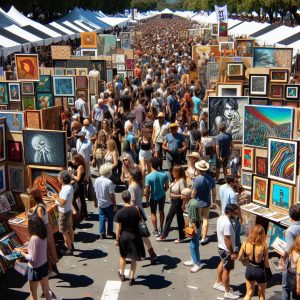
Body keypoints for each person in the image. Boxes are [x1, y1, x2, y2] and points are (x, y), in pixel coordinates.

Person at [17, 215, 52, 300]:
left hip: (35, 269)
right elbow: (38, 250)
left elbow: (32, 258)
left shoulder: (34, 238)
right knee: (46, 290)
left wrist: (21, 253)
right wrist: (28, 248)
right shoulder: (43, 235)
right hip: (44, 265)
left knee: (33, 294)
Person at [115, 191, 146, 286]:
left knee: (123, 256)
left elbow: (118, 228)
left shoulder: (119, 212)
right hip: (135, 235)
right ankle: (132, 278)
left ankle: (122, 274)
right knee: (133, 258)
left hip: (124, 236)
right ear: (130, 198)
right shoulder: (137, 209)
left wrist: (117, 240)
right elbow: (142, 220)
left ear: (123, 199)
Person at [128, 169, 157, 264]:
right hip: (140, 211)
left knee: (132, 234)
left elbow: (132, 202)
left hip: (135, 212)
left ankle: (132, 255)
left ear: (132, 177)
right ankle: (151, 253)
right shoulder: (139, 184)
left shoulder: (132, 186)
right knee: (142, 234)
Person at [28, 188, 59, 278]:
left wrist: (31, 217)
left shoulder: (39, 208)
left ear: (34, 196)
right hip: (46, 227)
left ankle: (52, 271)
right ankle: (54, 270)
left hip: (43, 229)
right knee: (49, 248)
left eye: (30, 195)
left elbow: (40, 221)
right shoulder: (40, 204)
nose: (29, 197)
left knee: (47, 250)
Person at [213, 203, 240, 300]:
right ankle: (227, 292)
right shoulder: (228, 224)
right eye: (235, 211)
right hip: (226, 250)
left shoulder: (221, 217)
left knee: (222, 263)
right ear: (230, 212)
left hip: (221, 247)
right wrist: (232, 253)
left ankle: (218, 282)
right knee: (227, 271)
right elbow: (227, 239)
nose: (237, 212)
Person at [238, 224, 270, 300]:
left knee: (249, 293)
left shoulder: (245, 244)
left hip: (250, 268)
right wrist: (268, 272)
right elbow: (266, 262)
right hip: (260, 270)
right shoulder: (264, 246)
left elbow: (239, 257)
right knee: (261, 295)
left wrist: (244, 261)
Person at [156, 165, 186, 243]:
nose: (172, 173)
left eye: (174, 171)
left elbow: (184, 194)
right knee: (169, 217)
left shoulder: (181, 181)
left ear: (178, 172)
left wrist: (175, 196)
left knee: (179, 219)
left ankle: (181, 236)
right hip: (174, 202)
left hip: (178, 202)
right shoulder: (176, 180)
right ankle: (164, 235)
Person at [192, 160, 217, 245]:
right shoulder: (211, 179)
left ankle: (197, 235)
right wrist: (214, 202)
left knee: (197, 220)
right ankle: (203, 237)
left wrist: (191, 200)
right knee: (205, 219)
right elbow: (214, 192)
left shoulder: (197, 179)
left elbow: (193, 193)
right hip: (207, 202)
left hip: (198, 202)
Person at [145, 158, 169, 237]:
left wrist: (147, 200)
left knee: (153, 212)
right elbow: (167, 186)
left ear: (152, 165)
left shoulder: (148, 177)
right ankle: (161, 228)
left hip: (153, 197)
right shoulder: (164, 174)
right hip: (162, 196)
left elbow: (147, 190)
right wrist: (163, 191)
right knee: (161, 211)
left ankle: (155, 230)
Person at [181, 188, 203, 273]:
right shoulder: (190, 201)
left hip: (195, 227)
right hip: (192, 226)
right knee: (192, 245)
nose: (181, 196)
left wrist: (196, 231)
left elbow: (193, 219)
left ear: (186, 196)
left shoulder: (192, 204)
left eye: (182, 195)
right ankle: (193, 260)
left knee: (193, 246)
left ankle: (197, 264)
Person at [53, 170, 74, 256]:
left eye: (58, 178)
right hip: (68, 210)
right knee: (70, 228)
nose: (57, 179)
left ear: (62, 179)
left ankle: (69, 249)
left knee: (63, 231)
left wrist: (56, 197)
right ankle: (71, 244)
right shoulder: (69, 186)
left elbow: (62, 202)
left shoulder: (65, 189)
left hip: (64, 212)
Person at [281, 205, 300, 300]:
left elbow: (288, 250)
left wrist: (282, 260)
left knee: (285, 287)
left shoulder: (290, 230)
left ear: (290, 215)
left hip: (291, 263)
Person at [94, 164, 117, 239]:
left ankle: (102, 233)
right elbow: (112, 195)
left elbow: (95, 192)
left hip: (100, 202)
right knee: (110, 218)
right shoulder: (109, 182)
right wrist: (115, 204)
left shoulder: (97, 180)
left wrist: (95, 201)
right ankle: (110, 231)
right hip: (108, 203)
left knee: (101, 217)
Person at [71, 153, 87, 220]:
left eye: (74, 160)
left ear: (77, 160)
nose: (73, 161)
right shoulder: (81, 166)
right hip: (80, 185)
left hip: (78, 186)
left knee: (72, 200)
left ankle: (78, 211)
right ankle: (84, 213)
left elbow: (78, 178)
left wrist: (72, 175)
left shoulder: (80, 167)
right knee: (82, 200)